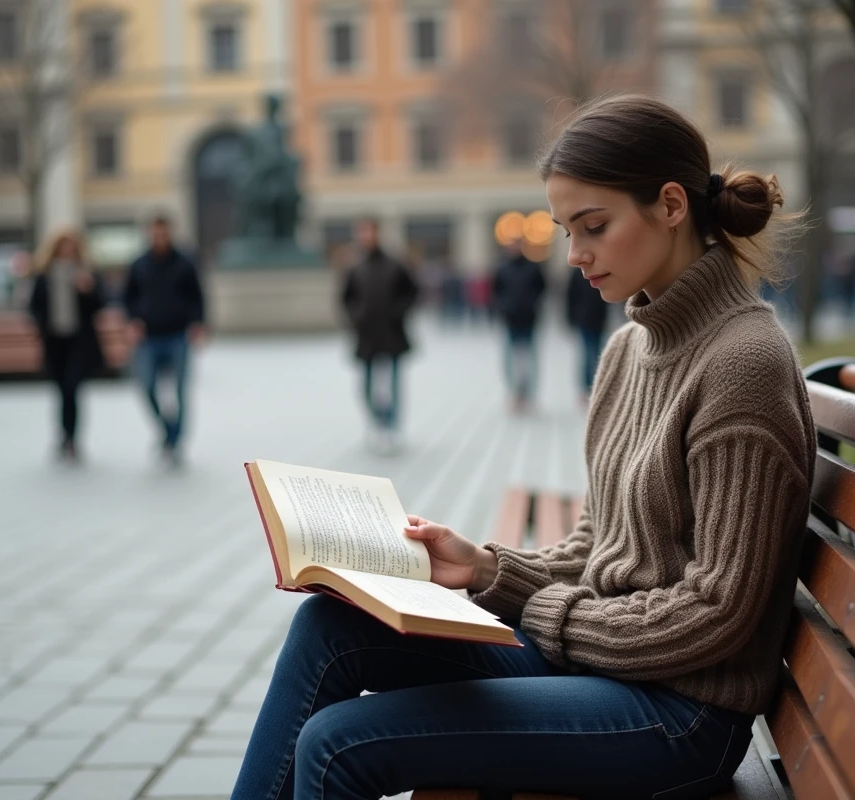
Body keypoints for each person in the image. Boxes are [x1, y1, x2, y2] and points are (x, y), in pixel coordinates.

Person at [232, 94, 816, 799]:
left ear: (670, 205)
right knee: (329, 624)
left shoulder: (743, 363)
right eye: (565, 229)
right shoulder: (631, 347)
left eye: (593, 226)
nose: (575, 255)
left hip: (679, 714)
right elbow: (603, 544)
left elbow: (715, 612)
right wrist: (484, 568)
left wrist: (540, 612)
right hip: (608, 666)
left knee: (337, 743)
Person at [124, 216, 206, 465]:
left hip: (178, 336)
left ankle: (175, 440)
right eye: (155, 233)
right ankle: (166, 430)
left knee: (180, 390)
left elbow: (197, 296)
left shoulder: (184, 263)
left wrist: (198, 324)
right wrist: (133, 320)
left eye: (163, 233)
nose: (159, 238)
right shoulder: (139, 264)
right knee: (147, 387)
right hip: (148, 337)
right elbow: (128, 297)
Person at [341, 218, 419, 456]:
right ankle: (377, 422)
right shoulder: (355, 267)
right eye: (362, 233)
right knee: (366, 387)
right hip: (366, 335)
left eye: (369, 232)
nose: (366, 237)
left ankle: (391, 426)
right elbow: (346, 298)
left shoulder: (395, 264)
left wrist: (398, 313)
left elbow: (412, 292)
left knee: (393, 384)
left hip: (392, 333)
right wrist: (356, 317)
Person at [27, 230, 105, 462]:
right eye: (63, 246)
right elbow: (34, 306)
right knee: (61, 391)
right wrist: (39, 326)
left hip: (78, 341)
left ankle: (72, 438)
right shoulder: (45, 275)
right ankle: (63, 435)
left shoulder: (86, 273)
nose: (67, 251)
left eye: (71, 246)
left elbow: (100, 305)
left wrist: (87, 290)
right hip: (54, 340)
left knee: (73, 387)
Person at [494, 238, 547, 412]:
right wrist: (503, 307)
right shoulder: (502, 268)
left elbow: (542, 289)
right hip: (510, 319)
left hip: (529, 318)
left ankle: (528, 393)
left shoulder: (533, 267)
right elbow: (496, 291)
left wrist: (531, 303)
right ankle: (514, 392)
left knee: (530, 358)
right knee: (509, 358)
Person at [564, 266, 609, 405]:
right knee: (588, 353)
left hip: (598, 319)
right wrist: (571, 318)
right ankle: (587, 388)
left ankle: (595, 386)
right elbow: (570, 296)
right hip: (583, 319)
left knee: (597, 353)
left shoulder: (602, 270)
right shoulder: (577, 272)